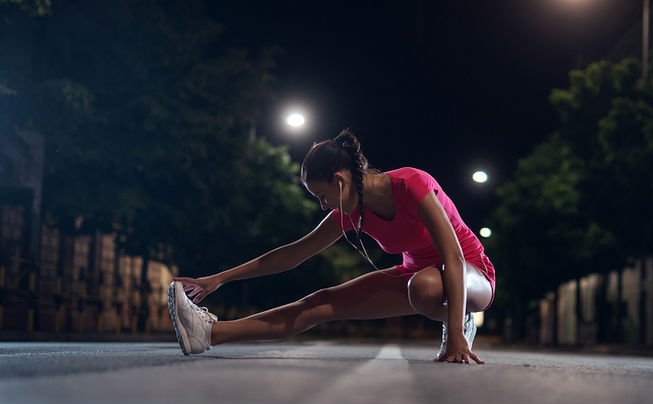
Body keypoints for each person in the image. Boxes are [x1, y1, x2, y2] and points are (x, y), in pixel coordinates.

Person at [168, 129, 495, 364]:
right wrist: (219, 278)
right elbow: (292, 254)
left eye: (322, 196)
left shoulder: (412, 185)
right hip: (416, 277)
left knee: (423, 286)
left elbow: (452, 257)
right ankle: (210, 333)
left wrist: (454, 335)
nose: (324, 206)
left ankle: (460, 320)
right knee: (320, 303)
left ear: (340, 181)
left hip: (471, 273)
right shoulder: (349, 212)